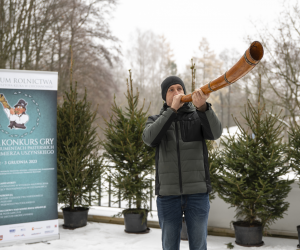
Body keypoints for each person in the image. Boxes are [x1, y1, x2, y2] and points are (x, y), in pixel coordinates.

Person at [142, 76, 222, 250]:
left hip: (198, 195)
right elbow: (149, 139)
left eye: (179, 88)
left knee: (199, 246)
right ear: (165, 97)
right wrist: (171, 111)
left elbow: (215, 133)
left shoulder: (198, 116)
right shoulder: (155, 120)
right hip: (168, 196)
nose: (177, 92)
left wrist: (203, 107)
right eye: (171, 90)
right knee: (169, 246)